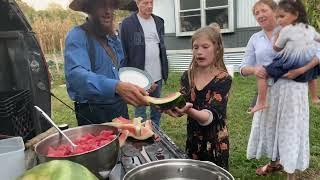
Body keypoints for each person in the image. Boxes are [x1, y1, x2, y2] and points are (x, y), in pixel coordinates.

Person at [240, 0, 320, 179]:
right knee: (271, 129)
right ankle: (274, 163)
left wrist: (301, 70)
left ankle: (290, 174)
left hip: (293, 91)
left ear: (275, 11)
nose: (260, 15)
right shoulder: (255, 38)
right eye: (256, 13)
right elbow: (243, 66)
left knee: (290, 131)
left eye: (263, 10)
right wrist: (254, 69)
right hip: (269, 92)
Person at [64, 0, 148, 126]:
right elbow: (76, 76)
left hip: (119, 108)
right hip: (94, 113)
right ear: (88, 8)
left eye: (111, 5)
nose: (108, 11)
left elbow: (118, 71)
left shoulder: (113, 39)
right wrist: (115, 86)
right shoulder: (77, 35)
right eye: (101, 5)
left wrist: (140, 85)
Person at [165, 24, 232, 170]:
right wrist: (170, 107)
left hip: (215, 143)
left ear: (217, 49)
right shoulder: (187, 76)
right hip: (193, 139)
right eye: (196, 47)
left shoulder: (223, 79)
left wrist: (188, 110)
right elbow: (181, 102)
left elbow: (209, 117)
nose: (199, 52)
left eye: (205, 47)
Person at [251, 0, 320, 113]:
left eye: (282, 16)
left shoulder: (285, 31)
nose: (279, 20)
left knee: (262, 72)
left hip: (288, 63)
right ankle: (314, 97)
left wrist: (276, 41)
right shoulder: (308, 29)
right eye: (256, 13)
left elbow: (277, 48)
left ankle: (261, 101)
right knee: (312, 76)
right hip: (302, 62)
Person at [120, 0, 169, 127]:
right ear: (137, 3)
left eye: (151, 2)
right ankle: (141, 135)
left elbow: (161, 48)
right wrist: (125, 75)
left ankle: (156, 132)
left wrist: (164, 70)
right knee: (140, 109)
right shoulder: (127, 24)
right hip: (139, 77)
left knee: (157, 108)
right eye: (145, 3)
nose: (149, 6)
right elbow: (123, 51)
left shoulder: (159, 22)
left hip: (157, 74)